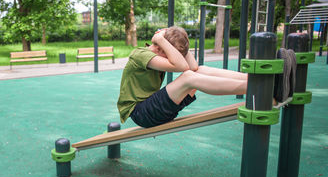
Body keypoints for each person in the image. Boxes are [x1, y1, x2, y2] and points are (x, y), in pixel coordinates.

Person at [117, 26, 292, 128]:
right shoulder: (140, 54)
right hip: (141, 113)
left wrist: (175, 40)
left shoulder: (160, 53)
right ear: (160, 47)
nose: (173, 56)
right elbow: (182, 67)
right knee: (188, 77)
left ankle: (256, 79)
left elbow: (193, 66)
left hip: (155, 108)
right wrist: (162, 40)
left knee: (198, 71)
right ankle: (260, 85)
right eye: (170, 52)